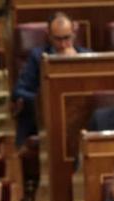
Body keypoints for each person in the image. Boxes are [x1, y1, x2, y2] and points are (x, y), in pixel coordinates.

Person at [12, 12, 91, 144]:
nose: (63, 44)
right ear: (48, 35)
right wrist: (45, 99)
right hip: (46, 120)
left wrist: (75, 62)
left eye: (67, 38)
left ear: (74, 33)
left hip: (80, 116)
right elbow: (18, 91)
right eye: (58, 39)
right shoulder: (37, 57)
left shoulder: (87, 56)